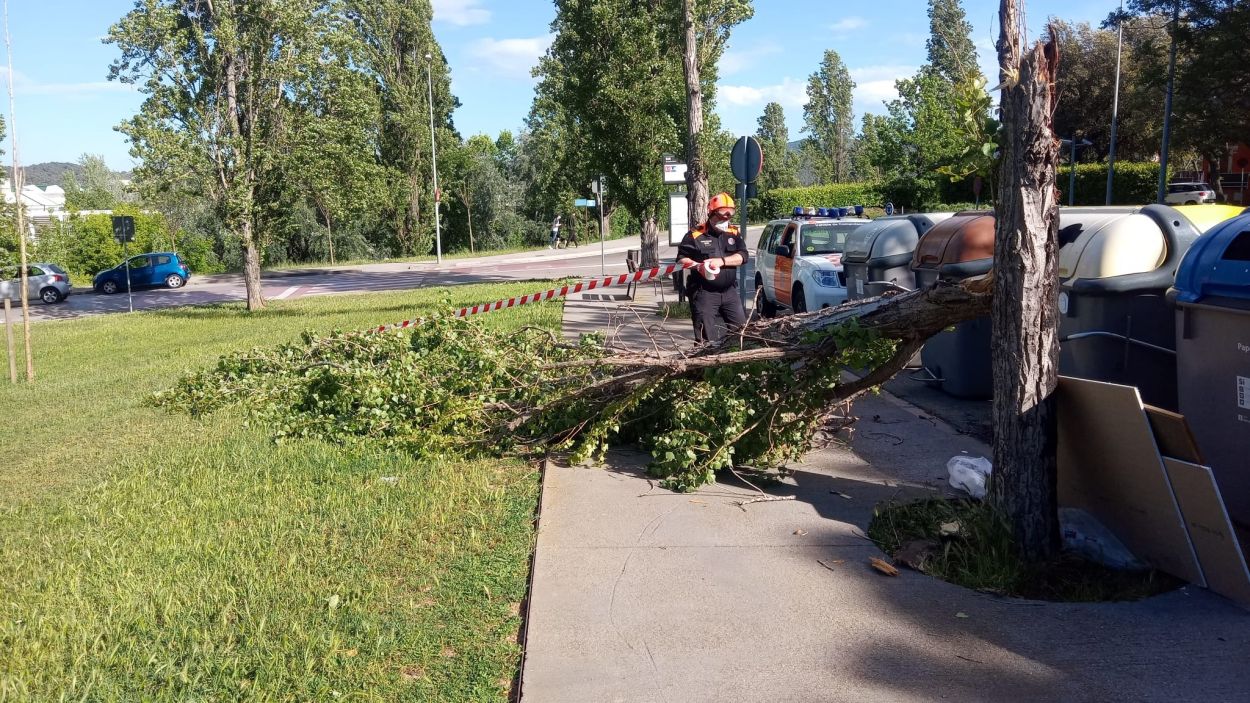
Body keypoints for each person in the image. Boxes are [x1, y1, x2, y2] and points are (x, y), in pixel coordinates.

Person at [676, 192, 749, 343]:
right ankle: (705, 358)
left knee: (742, 332)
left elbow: (743, 256)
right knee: (706, 338)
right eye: (722, 216)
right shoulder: (695, 235)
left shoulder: (733, 233)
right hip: (704, 293)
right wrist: (699, 266)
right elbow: (681, 260)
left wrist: (722, 261)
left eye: (729, 216)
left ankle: (735, 357)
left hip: (729, 292)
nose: (726, 220)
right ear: (711, 213)